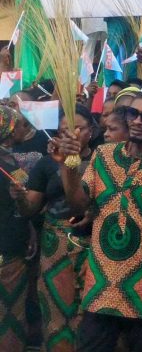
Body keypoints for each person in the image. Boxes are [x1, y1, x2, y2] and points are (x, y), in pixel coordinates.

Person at [54, 91, 142, 351]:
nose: (137, 120)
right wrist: (68, 167)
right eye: (133, 113)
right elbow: (79, 205)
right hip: (100, 289)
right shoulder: (103, 155)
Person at [11, 105, 95, 352]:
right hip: (54, 246)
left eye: (77, 128)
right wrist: (19, 197)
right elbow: (30, 209)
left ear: (91, 131)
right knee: (55, 306)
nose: (70, 134)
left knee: (88, 309)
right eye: (62, 131)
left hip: (94, 246)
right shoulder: (47, 164)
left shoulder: (104, 161)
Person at [0, 106, 36, 352]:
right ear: (8, 130)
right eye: (21, 124)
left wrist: (30, 227)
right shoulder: (9, 163)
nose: (27, 128)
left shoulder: (11, 160)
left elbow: (22, 205)